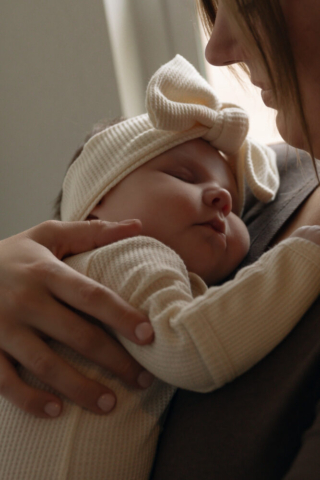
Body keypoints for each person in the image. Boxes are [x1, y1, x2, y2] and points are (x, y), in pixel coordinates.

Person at [0, 0, 320, 477]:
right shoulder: (131, 253)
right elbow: (186, 340)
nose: (216, 49)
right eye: (183, 175)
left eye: (247, 4)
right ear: (97, 205)